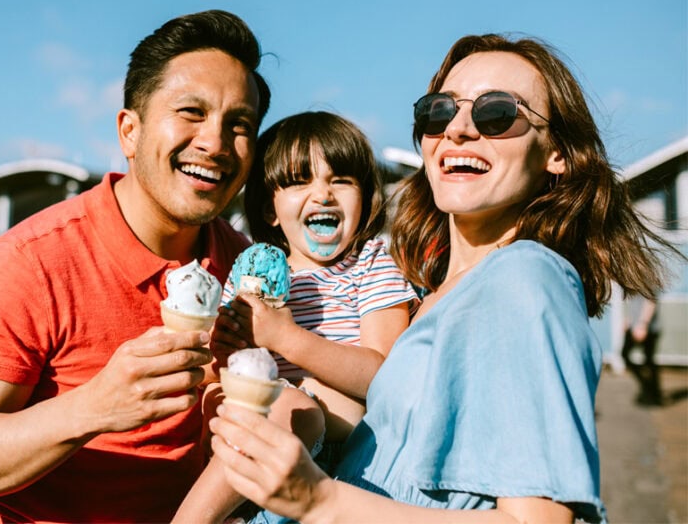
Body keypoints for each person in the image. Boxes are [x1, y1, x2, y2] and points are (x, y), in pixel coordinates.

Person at [208, 33, 681, 524]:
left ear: (556, 153)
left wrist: (319, 501)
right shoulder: (432, 297)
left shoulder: (526, 277)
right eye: (439, 111)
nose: (457, 129)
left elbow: (536, 521)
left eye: (496, 113)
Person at [0, 9, 272, 524]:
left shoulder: (246, 270)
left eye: (239, 124)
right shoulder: (32, 262)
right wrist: (94, 407)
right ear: (129, 131)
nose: (215, 143)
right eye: (191, 112)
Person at [174, 111, 419, 523]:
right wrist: (225, 350)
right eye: (299, 180)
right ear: (270, 209)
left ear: (365, 197)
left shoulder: (373, 264)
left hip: (341, 463)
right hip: (249, 464)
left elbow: (383, 376)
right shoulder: (248, 273)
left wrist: (285, 338)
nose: (323, 195)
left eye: (340, 179)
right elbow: (217, 378)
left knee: (289, 404)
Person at [621, 294, 663, 406]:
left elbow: (651, 300)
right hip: (635, 326)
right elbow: (633, 301)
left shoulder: (648, 277)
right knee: (626, 355)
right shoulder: (633, 278)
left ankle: (653, 394)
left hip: (648, 328)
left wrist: (643, 324)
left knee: (648, 361)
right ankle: (648, 388)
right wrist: (628, 319)